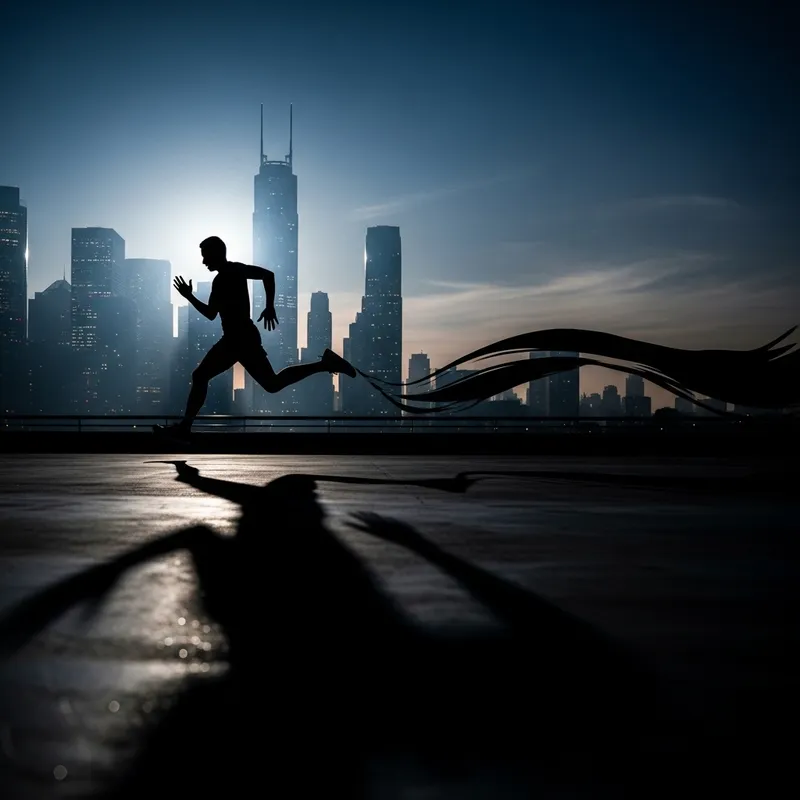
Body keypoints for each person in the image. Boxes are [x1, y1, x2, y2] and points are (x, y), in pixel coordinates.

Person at [154, 236, 356, 441]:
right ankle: (324, 364)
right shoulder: (235, 271)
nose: (204, 261)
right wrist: (269, 305)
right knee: (271, 383)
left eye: (206, 256)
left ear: (216, 254)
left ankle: (185, 428)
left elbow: (210, 313)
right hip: (240, 338)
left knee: (202, 376)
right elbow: (267, 276)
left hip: (238, 339)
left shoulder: (227, 275)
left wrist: (189, 296)